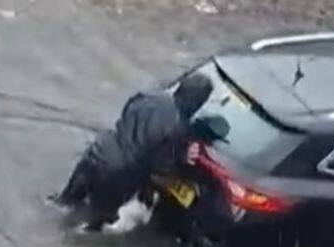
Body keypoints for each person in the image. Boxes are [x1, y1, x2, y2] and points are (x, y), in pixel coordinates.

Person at [51, 72, 214, 231]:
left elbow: (126, 112)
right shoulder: (179, 128)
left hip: (99, 149)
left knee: (62, 203)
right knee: (91, 223)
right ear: (198, 103)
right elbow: (160, 167)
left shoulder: (148, 95)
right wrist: (182, 157)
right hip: (120, 175)